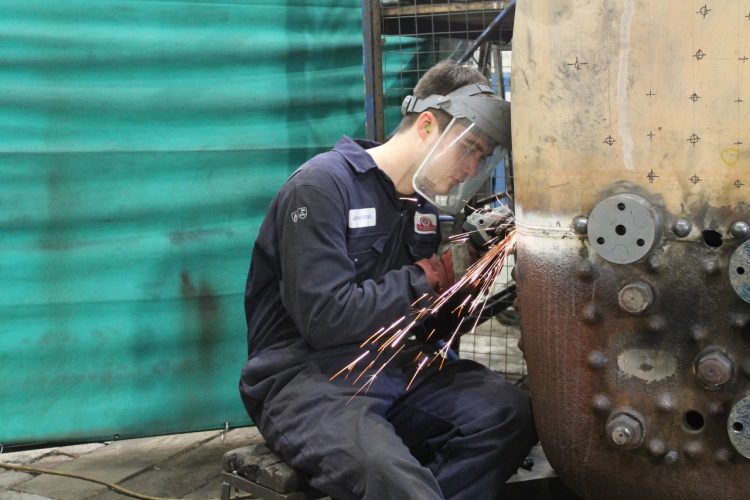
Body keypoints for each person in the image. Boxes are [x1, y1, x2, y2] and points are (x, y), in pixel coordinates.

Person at [239, 60, 537, 500]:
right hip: (310, 378)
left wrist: (470, 281)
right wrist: (430, 275)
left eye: (482, 156)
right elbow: (324, 318)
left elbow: (426, 322)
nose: (471, 169)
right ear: (427, 125)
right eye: (468, 148)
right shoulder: (322, 187)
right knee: (395, 482)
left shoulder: (427, 210)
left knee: (509, 415)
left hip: (399, 367)